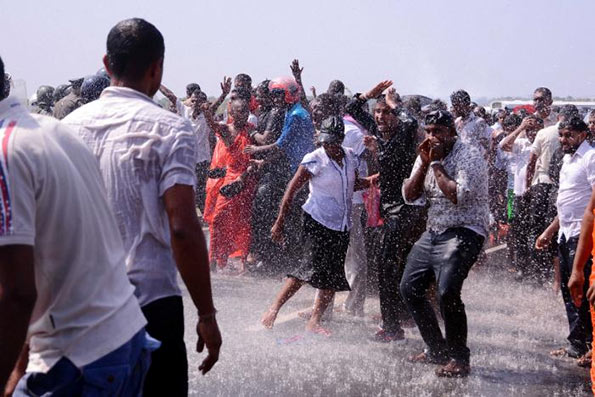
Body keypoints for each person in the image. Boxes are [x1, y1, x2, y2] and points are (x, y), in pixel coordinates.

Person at [62, 18, 221, 397]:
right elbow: (182, 227)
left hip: (76, 306)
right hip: (148, 304)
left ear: (106, 64)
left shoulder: (65, 129)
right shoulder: (169, 128)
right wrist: (207, 314)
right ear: (156, 68)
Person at [0, 56, 151, 396]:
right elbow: (52, 264)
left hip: (78, 360)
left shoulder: (5, 151)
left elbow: (18, 293)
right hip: (123, 339)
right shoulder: (53, 130)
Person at [261, 116, 372, 333]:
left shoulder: (350, 157)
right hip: (317, 222)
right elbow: (291, 191)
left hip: (341, 224)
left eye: (332, 142)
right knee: (306, 269)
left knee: (331, 275)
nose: (328, 146)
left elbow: (353, 184)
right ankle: (274, 309)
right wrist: (279, 222)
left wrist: (371, 181)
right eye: (325, 142)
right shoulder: (314, 159)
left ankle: (315, 320)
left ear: (341, 139)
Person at [401, 110, 489, 378]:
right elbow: (409, 195)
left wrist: (437, 164)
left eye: (438, 131)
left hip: (466, 228)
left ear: (452, 132)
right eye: (428, 131)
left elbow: (457, 196)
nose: (432, 137)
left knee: (447, 291)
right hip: (435, 230)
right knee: (409, 287)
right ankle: (435, 349)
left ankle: (459, 357)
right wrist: (426, 162)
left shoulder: (469, 156)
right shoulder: (426, 154)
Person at [535, 117, 594, 360]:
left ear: (582, 135)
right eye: (561, 135)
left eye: (568, 135)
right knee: (569, 292)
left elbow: (591, 205)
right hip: (565, 233)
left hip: (582, 235)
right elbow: (566, 203)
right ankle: (577, 344)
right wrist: (549, 232)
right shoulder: (567, 159)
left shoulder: (590, 157)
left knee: (583, 290)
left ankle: (590, 345)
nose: (563, 140)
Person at [525, 104, 579, 280]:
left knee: (540, 228)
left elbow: (532, 161)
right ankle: (555, 274)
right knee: (553, 230)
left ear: (559, 117)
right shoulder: (580, 141)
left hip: (544, 185)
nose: (563, 139)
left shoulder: (545, 132)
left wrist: (528, 185)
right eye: (561, 136)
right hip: (555, 188)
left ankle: (541, 270)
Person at [203, 97, 257, 273]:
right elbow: (211, 122)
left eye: (246, 111)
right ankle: (213, 259)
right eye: (240, 111)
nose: (244, 114)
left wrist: (244, 177)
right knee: (218, 219)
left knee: (242, 222)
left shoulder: (251, 132)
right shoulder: (226, 130)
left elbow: (253, 160)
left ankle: (242, 261)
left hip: (246, 181)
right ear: (231, 113)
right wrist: (211, 105)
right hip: (229, 180)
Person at [160, 79, 231, 211]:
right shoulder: (184, 110)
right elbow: (169, 94)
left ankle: (205, 215)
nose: (194, 103)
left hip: (201, 161)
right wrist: (156, 83)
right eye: (192, 101)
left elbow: (216, 105)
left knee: (200, 191)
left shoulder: (207, 116)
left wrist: (223, 94)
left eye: (197, 101)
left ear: (203, 103)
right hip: (185, 160)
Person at [499, 115, 543, 272]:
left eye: (534, 129)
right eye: (529, 129)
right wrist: (520, 128)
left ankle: (535, 264)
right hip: (514, 192)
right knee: (515, 228)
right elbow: (502, 145)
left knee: (535, 229)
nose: (531, 133)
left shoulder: (543, 142)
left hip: (537, 193)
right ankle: (517, 263)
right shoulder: (521, 143)